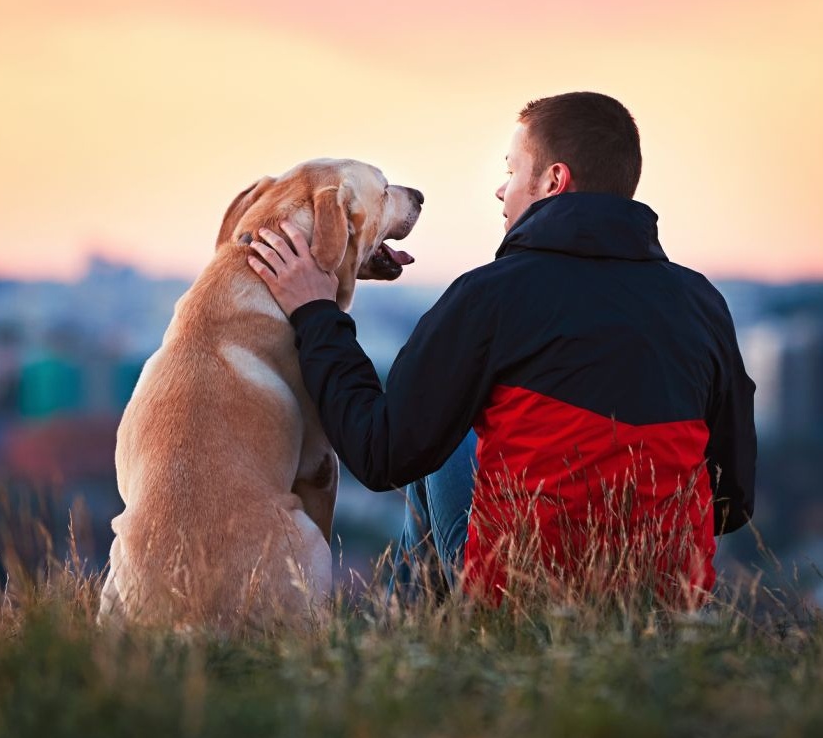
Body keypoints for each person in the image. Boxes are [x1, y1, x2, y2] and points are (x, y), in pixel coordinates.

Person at [247, 91, 757, 605]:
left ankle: (410, 646)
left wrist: (317, 314)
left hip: (524, 596)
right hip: (666, 601)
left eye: (512, 171)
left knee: (438, 443)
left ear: (553, 181)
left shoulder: (489, 296)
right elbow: (732, 501)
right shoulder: (702, 304)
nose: (500, 190)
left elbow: (380, 454)